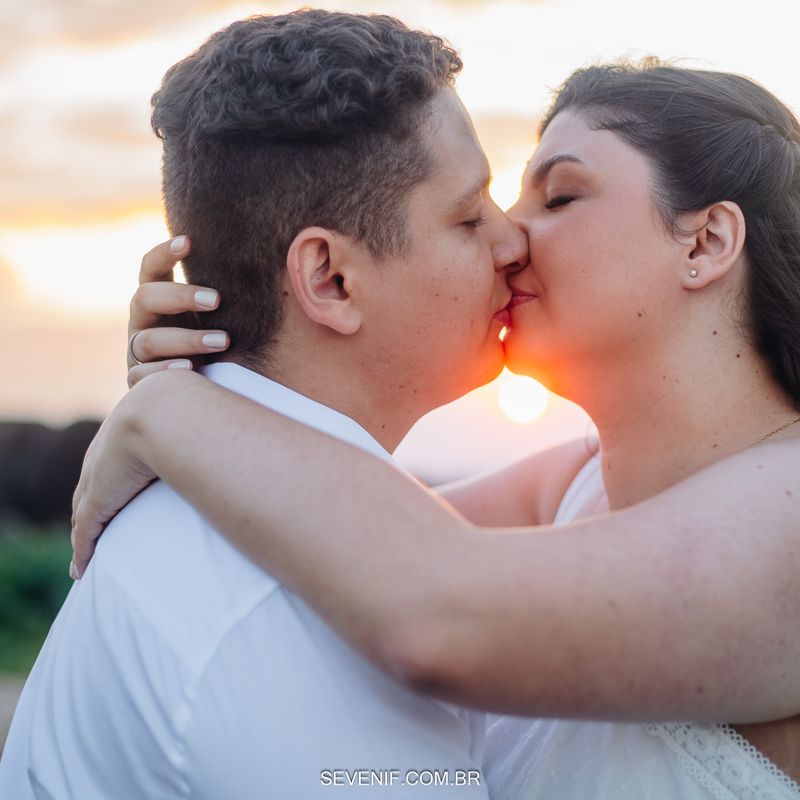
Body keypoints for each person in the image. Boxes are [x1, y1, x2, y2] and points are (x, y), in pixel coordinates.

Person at [70, 60, 800, 799]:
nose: (511, 236)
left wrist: (170, 412)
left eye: (562, 195)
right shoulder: (577, 485)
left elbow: (439, 615)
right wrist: (222, 363)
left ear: (705, 242)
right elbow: (339, 515)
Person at [0, 11, 530, 798]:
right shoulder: (287, 611)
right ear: (330, 280)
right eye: (467, 214)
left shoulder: (295, 533)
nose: (512, 240)